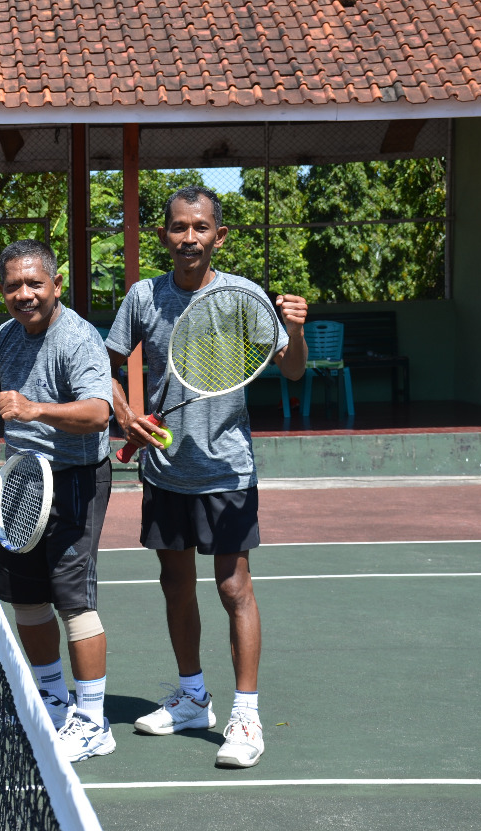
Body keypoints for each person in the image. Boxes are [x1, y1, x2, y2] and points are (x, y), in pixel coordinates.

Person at [104, 185, 308, 769]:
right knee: (175, 583)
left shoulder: (244, 297)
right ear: (163, 235)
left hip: (226, 470)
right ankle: (192, 696)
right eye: (177, 227)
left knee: (232, 587)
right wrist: (125, 415)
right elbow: (107, 364)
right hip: (165, 470)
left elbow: (291, 371)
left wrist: (293, 332)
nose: (188, 237)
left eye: (200, 227)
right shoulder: (144, 297)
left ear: (218, 235)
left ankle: (247, 713)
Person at [0, 240, 117, 764]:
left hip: (75, 479)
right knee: (25, 595)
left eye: (34, 284)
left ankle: (93, 722)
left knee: (73, 598)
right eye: (12, 286)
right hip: (23, 482)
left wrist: (34, 409)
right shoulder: (5, 336)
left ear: (55, 286)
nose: (24, 294)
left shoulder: (78, 338)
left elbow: (98, 413)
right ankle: (51, 701)